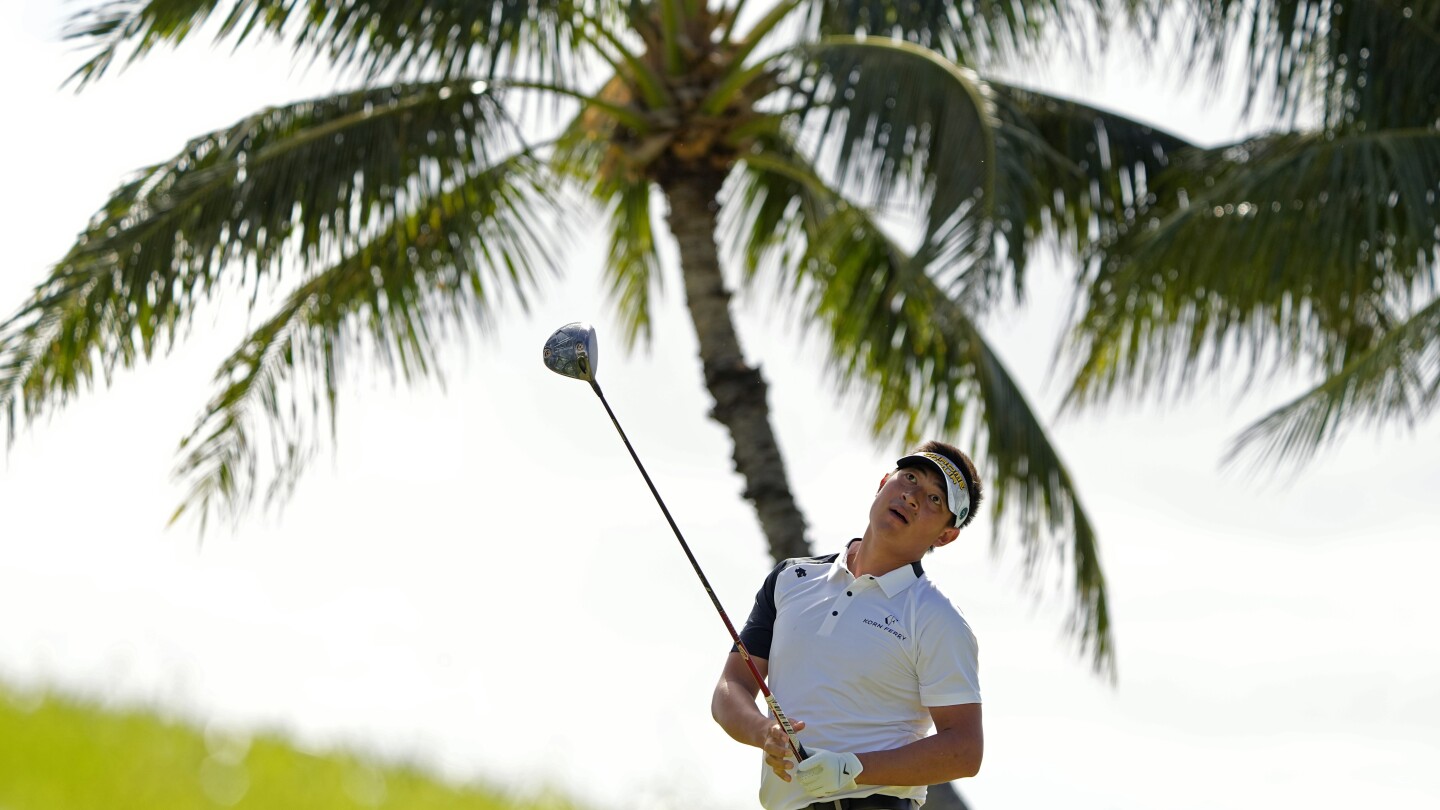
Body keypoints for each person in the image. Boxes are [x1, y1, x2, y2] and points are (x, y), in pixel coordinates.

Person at [711, 440, 985, 810]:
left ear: (945, 536)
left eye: (935, 499)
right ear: (884, 482)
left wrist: (851, 769)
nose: (913, 497)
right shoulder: (791, 578)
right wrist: (764, 732)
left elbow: (965, 750)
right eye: (909, 478)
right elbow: (731, 687)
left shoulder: (938, 617)